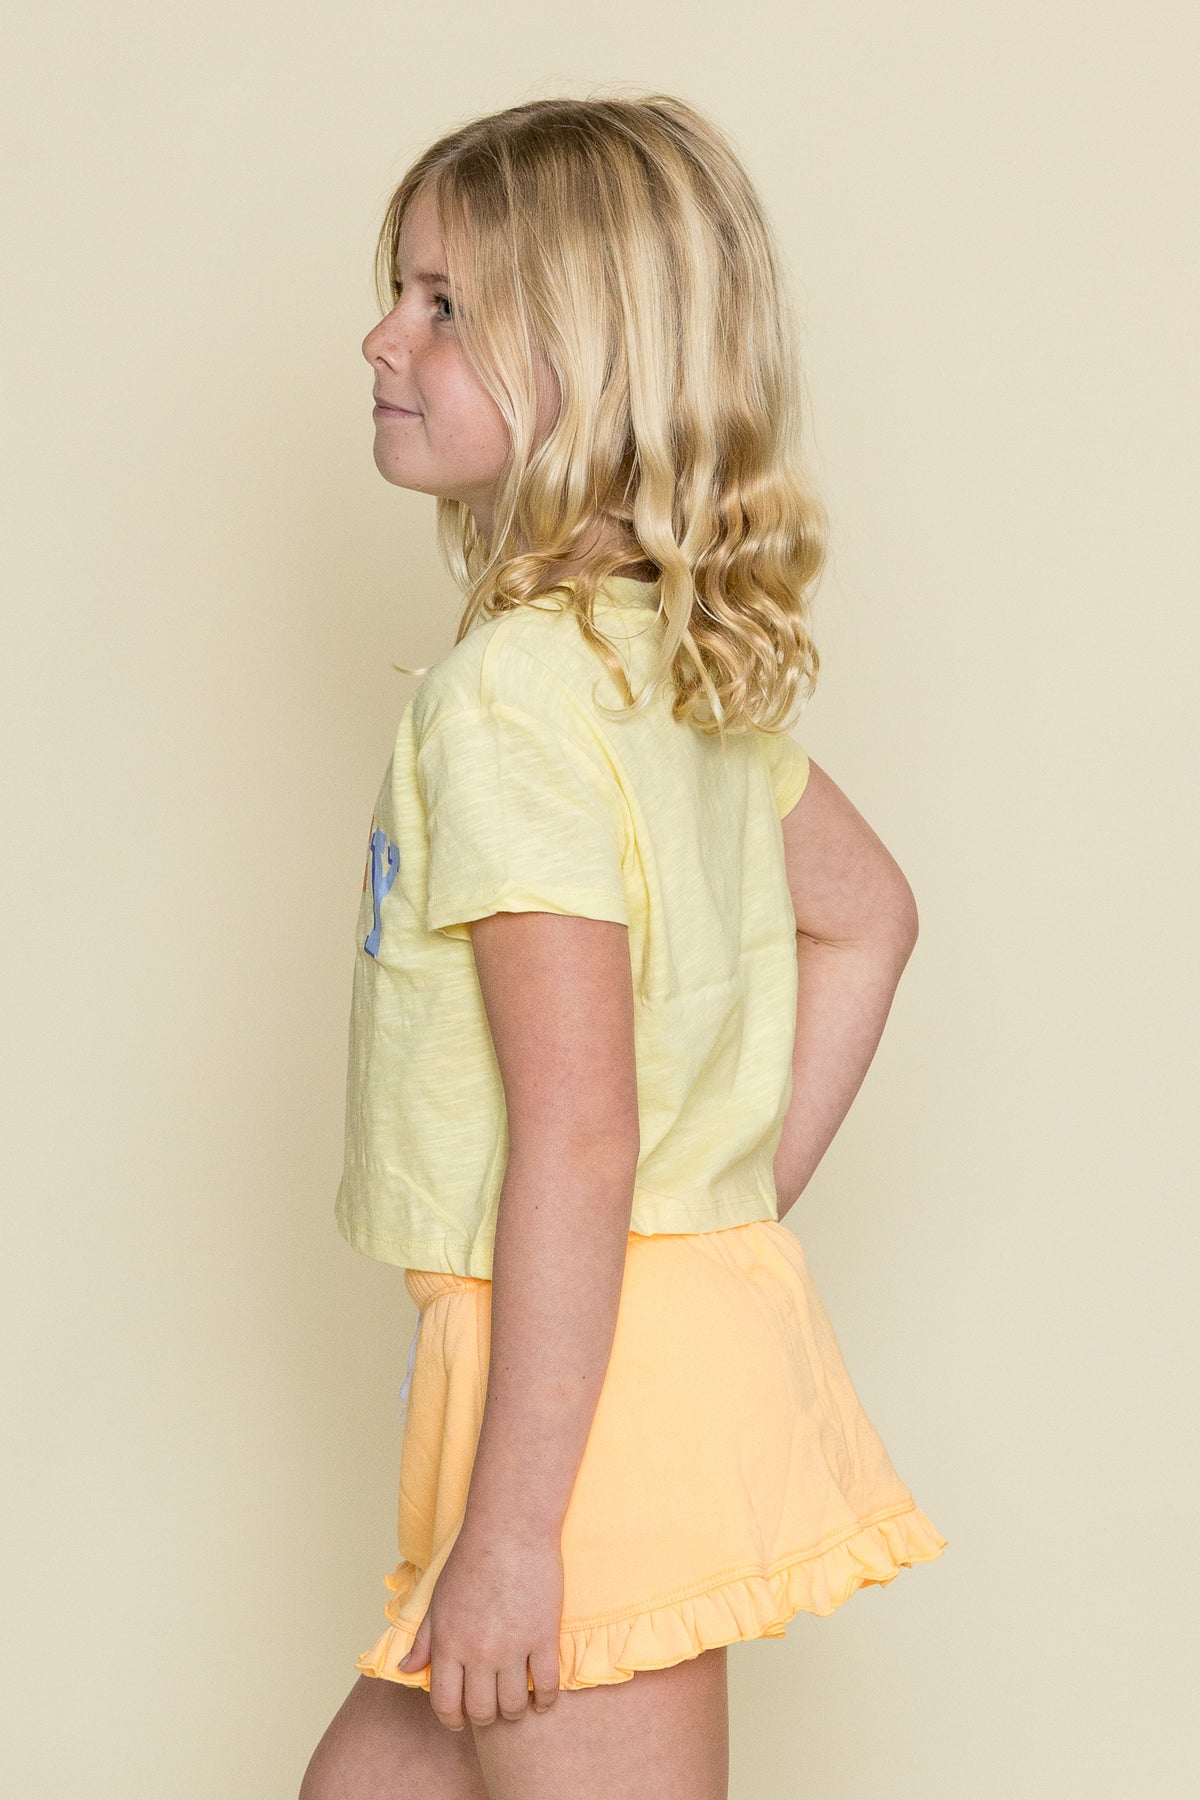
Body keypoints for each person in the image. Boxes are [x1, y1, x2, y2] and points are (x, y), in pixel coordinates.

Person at [300, 92, 947, 1800]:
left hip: (576, 1415)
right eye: (399, 290)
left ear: (588, 368)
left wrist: (518, 1527)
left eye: (445, 304)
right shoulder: (655, 655)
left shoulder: (512, 697)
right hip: (588, 1348)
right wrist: (703, 1214)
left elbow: (584, 1133)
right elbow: (868, 917)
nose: (382, 336)